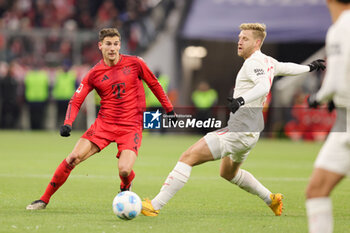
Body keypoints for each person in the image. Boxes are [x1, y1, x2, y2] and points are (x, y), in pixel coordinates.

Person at [141, 23, 325, 217]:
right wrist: (309, 67)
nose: (239, 41)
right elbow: (285, 67)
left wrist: (241, 100)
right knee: (228, 173)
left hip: (239, 131)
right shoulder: (267, 61)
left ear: (257, 42)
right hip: (251, 133)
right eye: (239, 37)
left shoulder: (254, 63)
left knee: (188, 157)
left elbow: (263, 86)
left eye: (244, 39)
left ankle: (154, 205)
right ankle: (271, 199)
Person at [26, 28, 175, 210]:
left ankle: (125, 185)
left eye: (115, 44)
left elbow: (154, 84)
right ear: (100, 46)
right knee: (73, 157)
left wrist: (169, 109)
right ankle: (43, 199)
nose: (112, 48)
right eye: (108, 44)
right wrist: (67, 123)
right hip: (104, 125)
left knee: (125, 170)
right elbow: (76, 100)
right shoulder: (94, 73)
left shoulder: (135, 63)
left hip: (130, 126)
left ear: (119, 45)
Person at [305, 0, 350, 232]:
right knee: (317, 189)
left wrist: (317, 98)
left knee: (317, 191)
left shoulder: (340, 27)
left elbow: (333, 82)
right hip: (344, 123)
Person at [52, 59, 77, 128]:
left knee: (69, 116)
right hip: (59, 98)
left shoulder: (72, 75)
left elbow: (76, 87)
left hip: (69, 99)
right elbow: (55, 86)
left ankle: (69, 128)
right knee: (59, 115)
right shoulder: (58, 74)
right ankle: (58, 128)